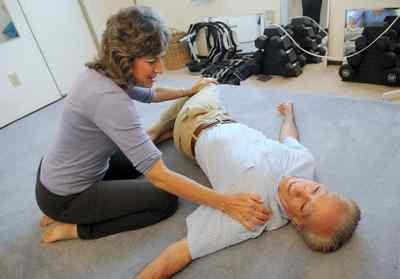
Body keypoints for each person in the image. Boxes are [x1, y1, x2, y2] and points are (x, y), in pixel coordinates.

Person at [35, 6, 269, 243]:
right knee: (164, 200)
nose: (160, 68)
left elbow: (151, 94)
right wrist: (227, 203)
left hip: (54, 176)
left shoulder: (102, 73)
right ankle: (73, 228)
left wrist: (188, 89)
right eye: (152, 61)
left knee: (144, 150)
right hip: (67, 197)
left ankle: (59, 209)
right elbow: (159, 176)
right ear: (123, 59)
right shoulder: (110, 99)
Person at [136, 85, 361, 279]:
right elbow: (289, 140)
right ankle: (162, 129)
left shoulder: (253, 213)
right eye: (316, 189)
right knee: (207, 86)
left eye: (304, 205)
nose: (302, 189)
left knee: (206, 84)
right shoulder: (305, 163)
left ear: (296, 222)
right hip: (222, 116)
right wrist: (289, 117)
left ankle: (159, 130)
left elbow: (180, 253)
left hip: (192, 126)